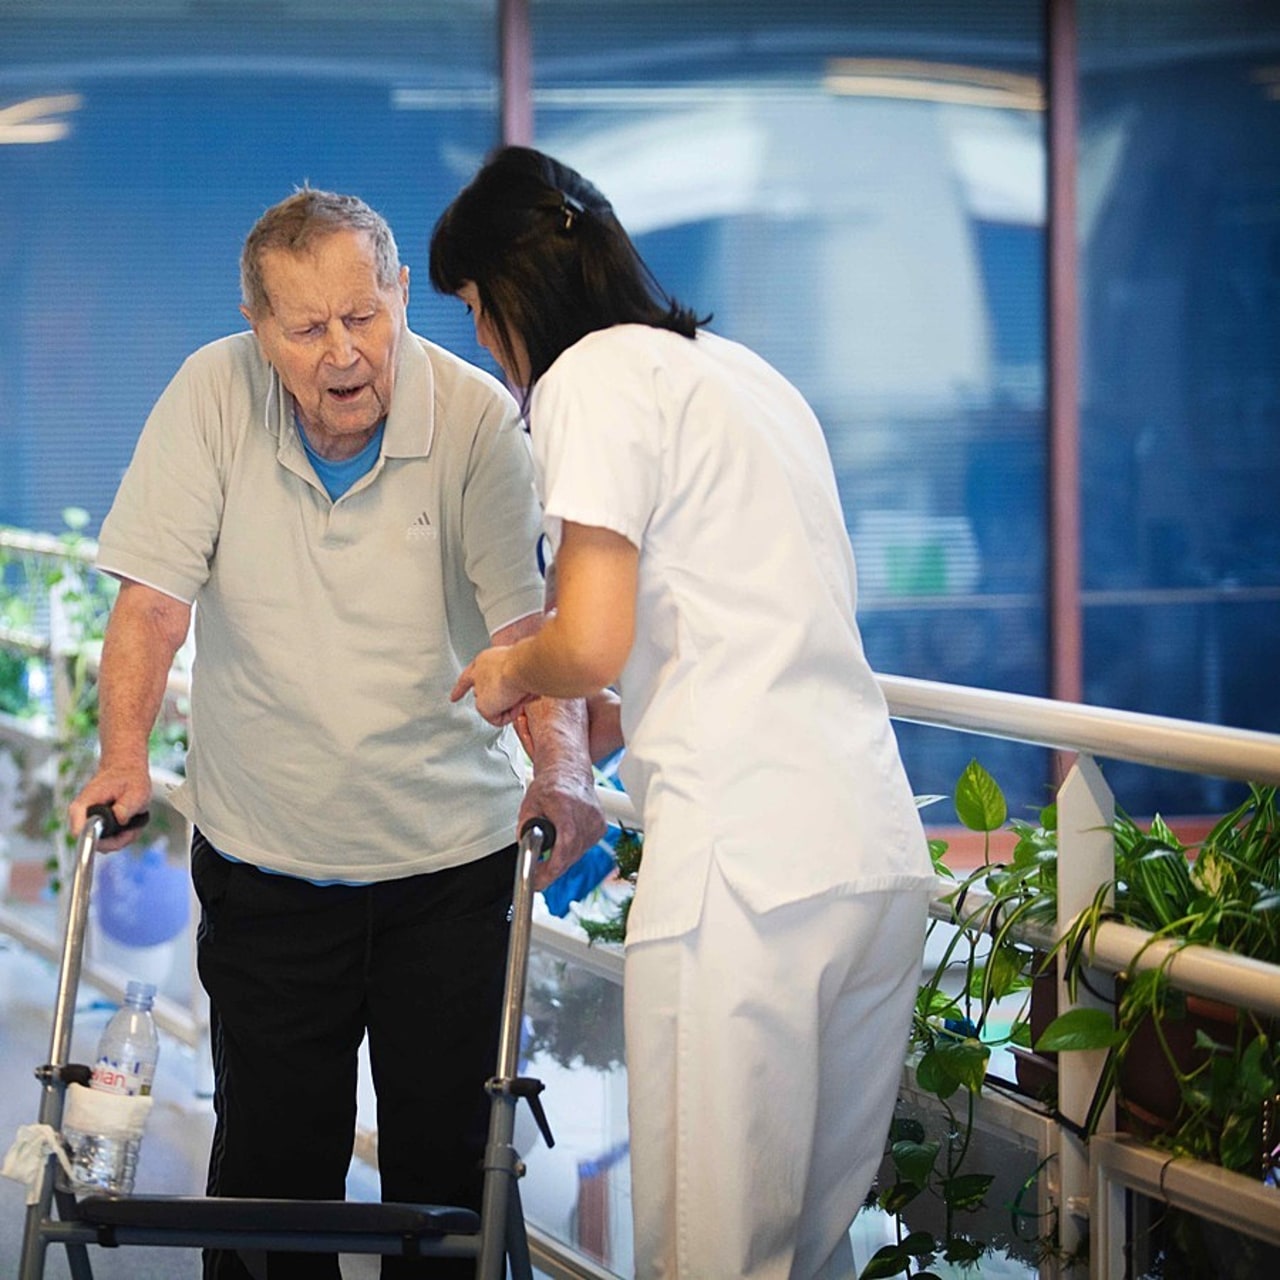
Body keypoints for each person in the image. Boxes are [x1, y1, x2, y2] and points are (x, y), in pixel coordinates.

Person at [69, 186, 604, 1280]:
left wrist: (562, 764)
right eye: (307, 328)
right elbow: (154, 605)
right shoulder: (209, 395)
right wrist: (124, 754)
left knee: (446, 1181)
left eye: (365, 315)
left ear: (403, 293)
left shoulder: (472, 420)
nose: (344, 351)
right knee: (270, 1175)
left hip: (447, 867)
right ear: (257, 327)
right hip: (269, 861)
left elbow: (527, 628)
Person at [430, 146, 937, 1280]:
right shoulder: (737, 371)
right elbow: (725, 610)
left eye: (470, 305)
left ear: (512, 288)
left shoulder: (590, 380)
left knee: (706, 1254)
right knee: (804, 1250)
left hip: (741, 872)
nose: (477, 339)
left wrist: (513, 669)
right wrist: (612, 717)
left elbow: (589, 635)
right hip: (865, 849)